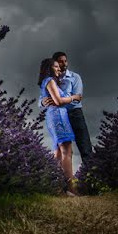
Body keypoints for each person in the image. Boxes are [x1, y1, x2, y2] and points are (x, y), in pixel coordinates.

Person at [42, 51, 92, 165]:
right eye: (60, 61)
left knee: (85, 147)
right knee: (62, 150)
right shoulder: (50, 80)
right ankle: (60, 180)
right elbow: (42, 98)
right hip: (59, 117)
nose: (64, 64)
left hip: (74, 114)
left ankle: (92, 178)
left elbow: (77, 99)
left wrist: (58, 102)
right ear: (54, 63)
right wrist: (44, 102)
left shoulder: (75, 77)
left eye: (65, 61)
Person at [38, 57, 79, 196]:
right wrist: (74, 97)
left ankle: (55, 187)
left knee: (59, 153)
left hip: (55, 116)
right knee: (67, 152)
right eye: (56, 66)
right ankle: (70, 189)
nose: (59, 68)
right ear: (49, 68)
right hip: (58, 117)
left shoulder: (48, 82)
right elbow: (59, 101)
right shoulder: (49, 81)